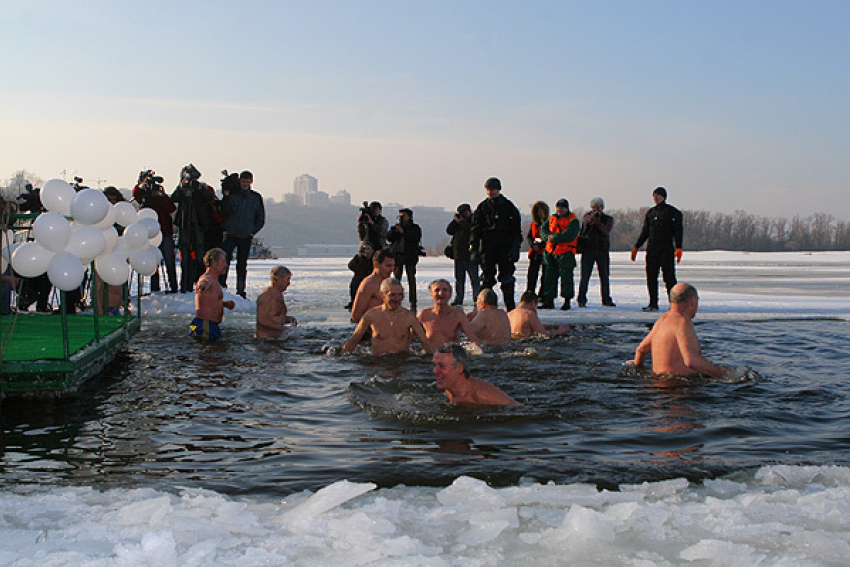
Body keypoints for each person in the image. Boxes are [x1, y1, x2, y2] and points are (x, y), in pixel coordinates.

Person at [632, 283, 731, 379]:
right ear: (692, 301)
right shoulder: (682, 322)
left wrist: (638, 368)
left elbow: (641, 350)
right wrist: (723, 373)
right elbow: (691, 361)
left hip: (657, 381)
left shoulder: (663, 319)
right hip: (679, 386)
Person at [343, 277, 434, 356]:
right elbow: (354, 340)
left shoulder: (409, 316)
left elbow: (425, 342)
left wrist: (436, 359)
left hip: (402, 363)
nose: (397, 299)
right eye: (392, 295)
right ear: (382, 295)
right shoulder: (371, 315)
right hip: (377, 363)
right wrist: (341, 359)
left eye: (400, 295)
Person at [470, 177, 522, 311]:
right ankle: (484, 308)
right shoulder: (482, 207)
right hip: (488, 248)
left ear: (498, 189)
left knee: (507, 279)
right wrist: (474, 248)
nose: (490, 192)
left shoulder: (509, 207)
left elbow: (516, 230)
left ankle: (510, 309)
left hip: (505, 248)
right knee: (487, 279)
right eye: (488, 190)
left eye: (492, 189)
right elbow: (475, 230)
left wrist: (516, 247)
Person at [631, 186, 684, 312]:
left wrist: (679, 247)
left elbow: (678, 231)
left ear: (664, 197)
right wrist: (637, 246)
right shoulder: (651, 213)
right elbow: (645, 231)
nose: (655, 198)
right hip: (652, 249)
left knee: (669, 278)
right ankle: (653, 303)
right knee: (651, 277)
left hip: (666, 249)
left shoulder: (673, 212)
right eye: (654, 196)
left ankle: (674, 304)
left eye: (658, 196)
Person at [220, 170, 266, 299]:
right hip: (231, 233)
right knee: (224, 261)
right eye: (243, 181)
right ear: (239, 181)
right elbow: (224, 211)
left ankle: (241, 290)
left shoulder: (256, 197)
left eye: (247, 181)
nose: (245, 184)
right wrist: (226, 197)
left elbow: (260, 217)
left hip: (246, 235)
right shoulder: (233, 196)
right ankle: (222, 287)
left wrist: (253, 231)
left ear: (251, 182)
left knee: (242, 264)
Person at [171, 164, 216, 293]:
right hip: (184, 224)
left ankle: (199, 283)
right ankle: (185, 285)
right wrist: (181, 187)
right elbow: (173, 199)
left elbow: (210, 199)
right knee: (184, 255)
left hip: (198, 224)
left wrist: (201, 189)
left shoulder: (200, 188)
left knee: (199, 255)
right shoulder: (182, 188)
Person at [134, 170, 178, 294]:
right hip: (151, 234)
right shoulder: (144, 197)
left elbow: (171, 208)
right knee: (153, 261)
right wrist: (141, 184)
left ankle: (173, 286)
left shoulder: (161, 198)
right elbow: (136, 194)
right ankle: (154, 287)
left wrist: (163, 195)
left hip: (165, 232)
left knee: (169, 261)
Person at [433, 343, 517, 406]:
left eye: (442, 366)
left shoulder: (482, 395)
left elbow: (516, 408)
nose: (435, 371)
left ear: (460, 368)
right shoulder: (449, 389)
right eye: (434, 365)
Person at [576, 197, 616, 308]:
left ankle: (606, 299)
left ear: (603, 208)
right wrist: (592, 220)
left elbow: (606, 230)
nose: (597, 210)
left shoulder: (608, 219)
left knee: (604, 276)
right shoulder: (587, 217)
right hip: (588, 250)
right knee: (585, 276)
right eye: (594, 207)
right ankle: (581, 299)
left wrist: (598, 223)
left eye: (599, 207)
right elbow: (584, 226)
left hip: (602, 250)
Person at [541, 198, 580, 310]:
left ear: (567, 208)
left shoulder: (573, 220)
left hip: (566, 252)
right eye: (558, 207)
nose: (560, 210)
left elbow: (570, 235)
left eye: (562, 208)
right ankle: (549, 301)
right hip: (551, 252)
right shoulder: (551, 218)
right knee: (549, 278)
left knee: (566, 278)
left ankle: (567, 301)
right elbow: (543, 230)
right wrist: (548, 237)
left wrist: (555, 238)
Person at [417, 279, 480, 348]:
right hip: (431, 353)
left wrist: (478, 351)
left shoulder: (458, 315)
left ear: (450, 294)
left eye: (445, 290)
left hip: (451, 353)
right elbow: (409, 338)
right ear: (431, 294)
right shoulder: (424, 315)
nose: (441, 293)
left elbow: (473, 338)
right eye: (437, 290)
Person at [189, 248, 235, 340]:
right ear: (214, 262)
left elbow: (209, 301)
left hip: (209, 325)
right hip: (204, 325)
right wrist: (203, 285)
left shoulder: (214, 280)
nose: (226, 265)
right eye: (223, 261)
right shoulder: (207, 278)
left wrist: (223, 304)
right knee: (207, 348)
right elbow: (205, 281)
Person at [386, 208, 423, 311]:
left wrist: (403, 232)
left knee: (411, 279)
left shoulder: (414, 228)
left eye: (403, 216)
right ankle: (396, 300)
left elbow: (415, 237)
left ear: (409, 217)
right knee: (396, 280)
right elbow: (388, 237)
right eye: (400, 216)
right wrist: (394, 231)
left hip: (410, 256)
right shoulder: (397, 228)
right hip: (398, 256)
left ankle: (413, 301)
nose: (401, 218)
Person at [446, 203, 479, 306]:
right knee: (459, 280)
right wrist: (455, 221)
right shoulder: (457, 223)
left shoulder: (474, 220)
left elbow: (471, 230)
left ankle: (476, 298)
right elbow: (449, 230)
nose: (464, 215)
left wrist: (462, 222)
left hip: (470, 255)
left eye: (465, 213)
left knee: (474, 279)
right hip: (459, 255)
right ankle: (459, 298)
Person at [351, 248, 396, 323]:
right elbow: (356, 315)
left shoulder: (389, 283)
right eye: (388, 266)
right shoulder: (369, 284)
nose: (392, 269)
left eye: (393, 266)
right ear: (376, 264)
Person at [255, 265, 298, 338]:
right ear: (279, 279)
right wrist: (282, 328)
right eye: (287, 279)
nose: (289, 283)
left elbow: (275, 317)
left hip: (277, 337)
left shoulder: (278, 294)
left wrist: (289, 319)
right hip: (265, 340)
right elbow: (261, 320)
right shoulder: (266, 296)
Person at [526, 200, 549, 297]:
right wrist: (532, 245)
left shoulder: (549, 223)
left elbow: (549, 238)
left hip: (545, 252)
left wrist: (541, 245)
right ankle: (530, 293)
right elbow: (529, 236)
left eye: (541, 211)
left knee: (545, 276)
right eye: (537, 211)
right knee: (532, 275)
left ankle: (542, 294)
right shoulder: (533, 224)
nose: (539, 213)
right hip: (534, 252)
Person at [345, 241, 375, 310]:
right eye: (364, 249)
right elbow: (351, 266)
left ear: (372, 250)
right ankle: (353, 303)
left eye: (368, 249)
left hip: (370, 280)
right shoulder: (359, 258)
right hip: (358, 279)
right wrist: (359, 258)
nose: (366, 251)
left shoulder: (375, 259)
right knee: (354, 285)